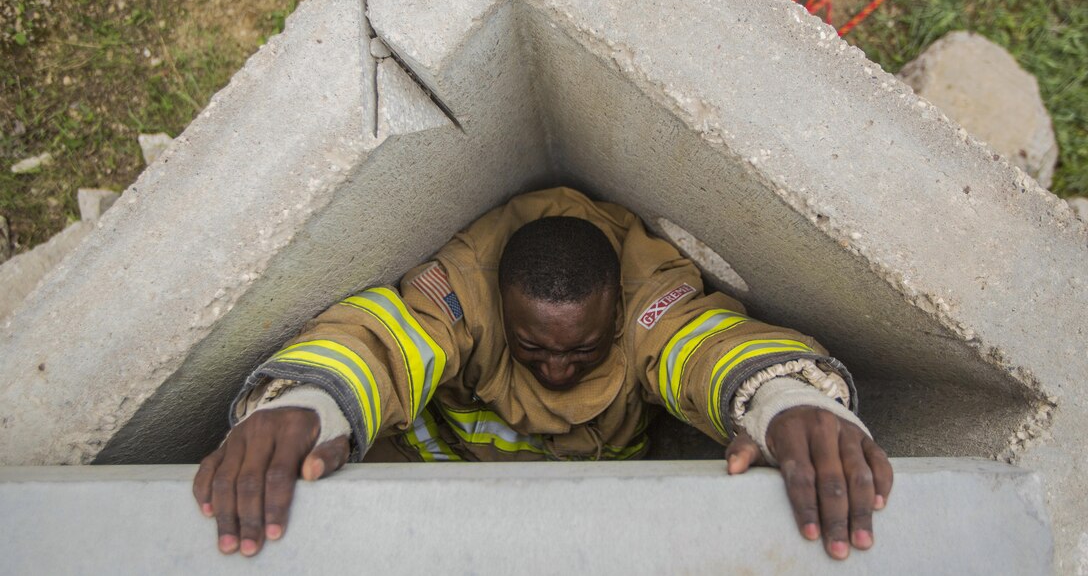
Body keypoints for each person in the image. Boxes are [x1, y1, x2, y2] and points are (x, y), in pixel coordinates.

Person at [193, 187, 892, 560]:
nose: (558, 370)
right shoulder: (464, 291)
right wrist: (313, 402)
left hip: (595, 516)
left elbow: (694, 341)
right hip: (442, 504)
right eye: (535, 350)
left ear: (615, 311)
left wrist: (780, 396)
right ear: (502, 310)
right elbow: (388, 341)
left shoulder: (647, 297)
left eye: (581, 352)